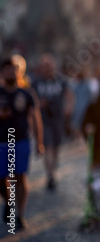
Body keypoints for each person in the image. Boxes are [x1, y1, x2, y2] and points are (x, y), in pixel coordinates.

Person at [0, 58, 44, 230]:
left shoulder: (26, 94)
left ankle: (19, 214)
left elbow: (35, 118)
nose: (11, 73)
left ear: (19, 72)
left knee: (20, 176)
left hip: (21, 141)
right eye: (7, 70)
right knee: (1, 179)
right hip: (2, 142)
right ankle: (9, 202)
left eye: (13, 69)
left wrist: (40, 142)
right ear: (3, 73)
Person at [32, 53, 73, 190]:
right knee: (48, 146)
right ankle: (50, 175)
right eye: (44, 66)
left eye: (49, 66)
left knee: (55, 147)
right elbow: (31, 100)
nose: (47, 69)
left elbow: (69, 95)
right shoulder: (37, 82)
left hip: (58, 119)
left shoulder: (60, 81)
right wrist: (39, 104)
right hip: (43, 120)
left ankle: (52, 171)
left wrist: (68, 109)